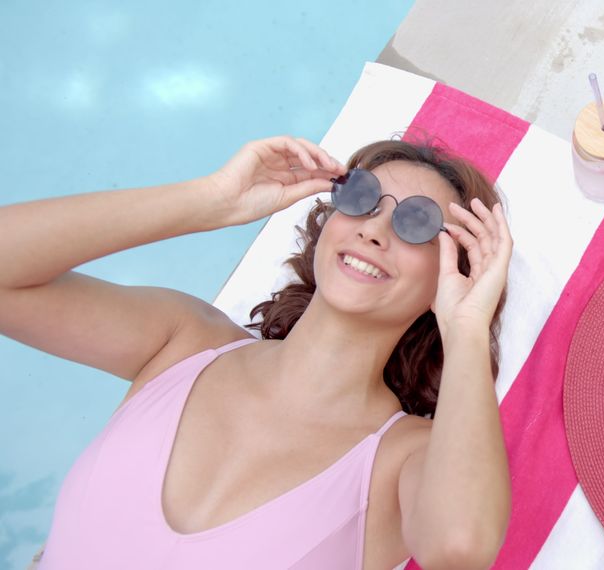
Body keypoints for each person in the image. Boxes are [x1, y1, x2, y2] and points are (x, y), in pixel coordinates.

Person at [0, 136, 513, 569]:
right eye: (362, 198)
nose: (374, 229)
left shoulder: (403, 456)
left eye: (417, 225)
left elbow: (459, 547)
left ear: (452, 277)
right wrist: (209, 200)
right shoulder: (183, 341)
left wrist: (466, 325)